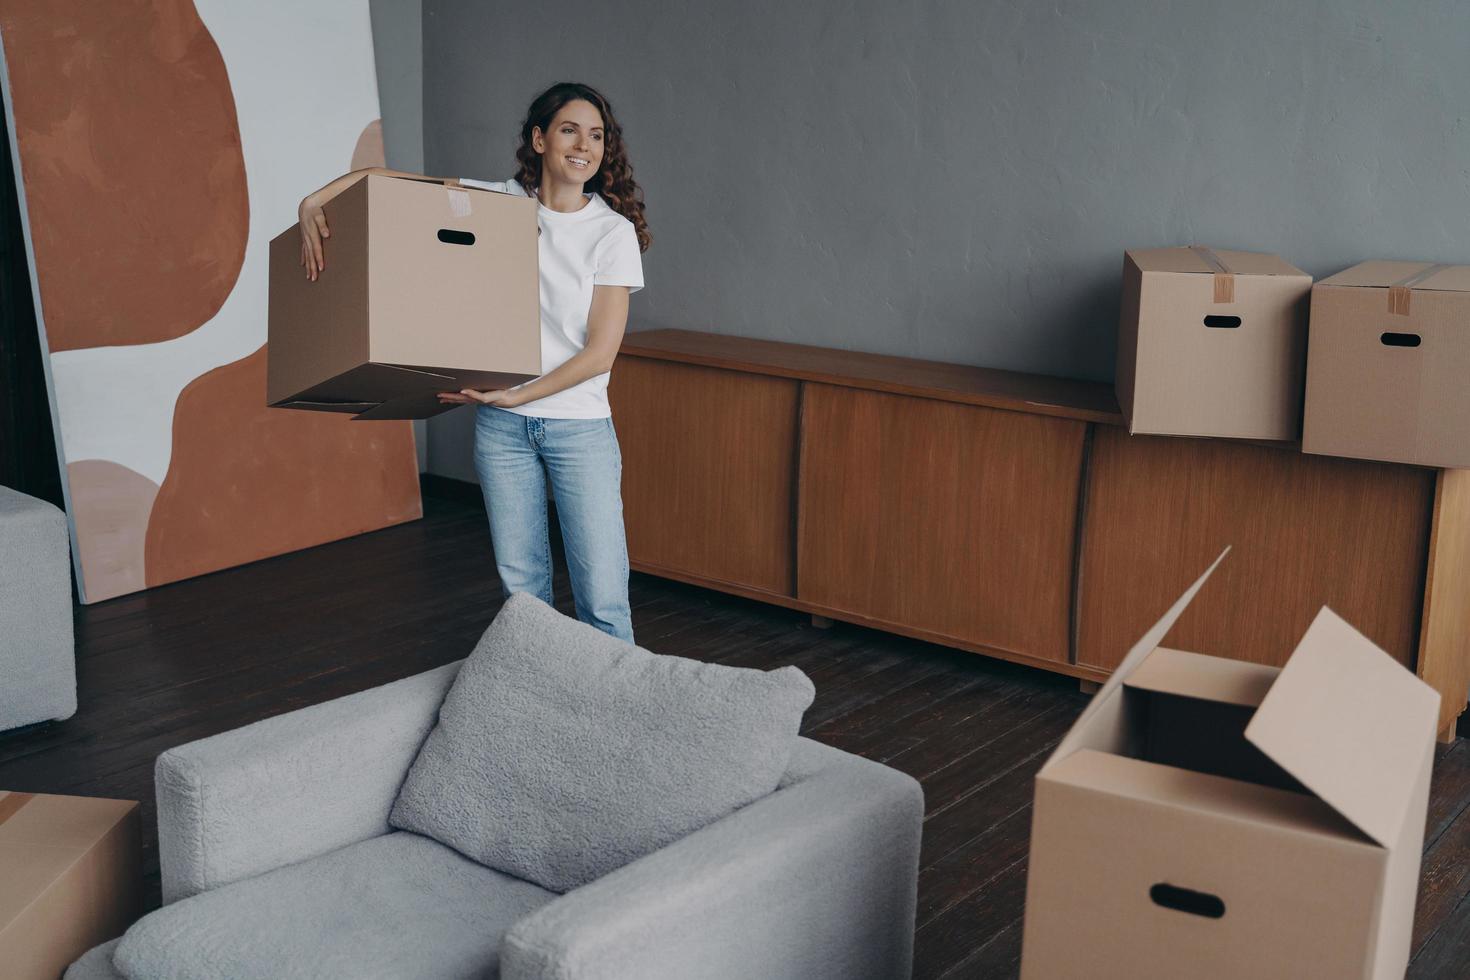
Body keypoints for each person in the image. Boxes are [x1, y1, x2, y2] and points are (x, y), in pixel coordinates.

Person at [297, 82, 649, 642]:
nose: (585, 145)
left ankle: (618, 721)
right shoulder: (501, 205)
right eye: (569, 129)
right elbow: (401, 186)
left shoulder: (612, 234)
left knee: (603, 599)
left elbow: (598, 355)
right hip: (502, 427)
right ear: (539, 139)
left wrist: (517, 395)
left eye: (597, 135)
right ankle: (537, 705)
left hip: (577, 429)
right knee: (523, 595)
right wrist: (315, 198)